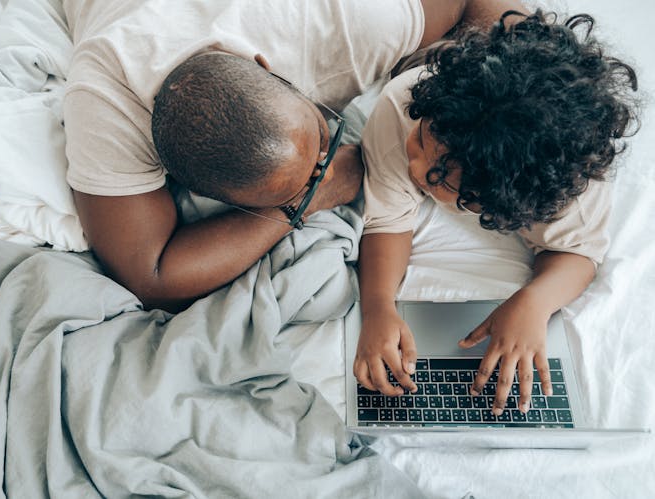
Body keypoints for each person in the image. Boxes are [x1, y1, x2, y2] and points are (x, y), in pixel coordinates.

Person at [62, 0, 528, 313]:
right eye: (305, 179)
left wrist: (493, 110)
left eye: (321, 138)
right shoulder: (106, 102)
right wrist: (310, 200)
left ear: (269, 67)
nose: (330, 157)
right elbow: (153, 276)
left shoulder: (358, 25)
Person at [354, 10, 639, 417]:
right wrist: (378, 307)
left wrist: (534, 303)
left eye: (439, 180)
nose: (413, 168)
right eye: (420, 141)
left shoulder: (572, 183)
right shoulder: (405, 105)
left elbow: (577, 253)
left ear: (500, 206)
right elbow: (387, 219)